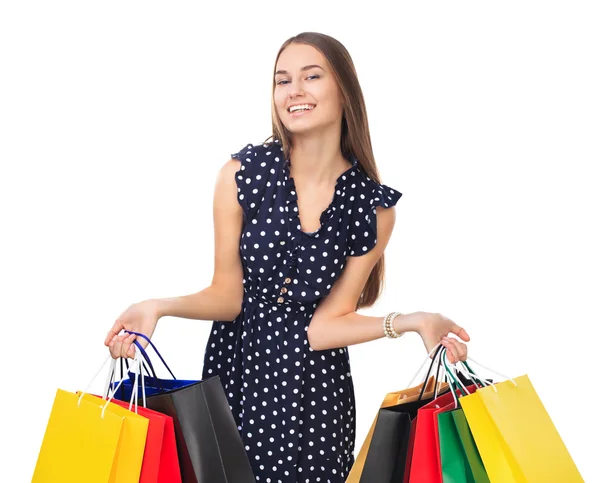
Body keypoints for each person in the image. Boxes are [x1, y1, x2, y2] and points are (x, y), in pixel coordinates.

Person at [104, 32, 470, 483]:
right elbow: (227, 295)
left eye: (311, 76)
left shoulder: (372, 208)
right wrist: (157, 307)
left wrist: (411, 321)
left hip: (316, 397)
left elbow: (325, 326)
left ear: (344, 90)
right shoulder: (242, 176)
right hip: (238, 375)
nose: (293, 90)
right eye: (282, 80)